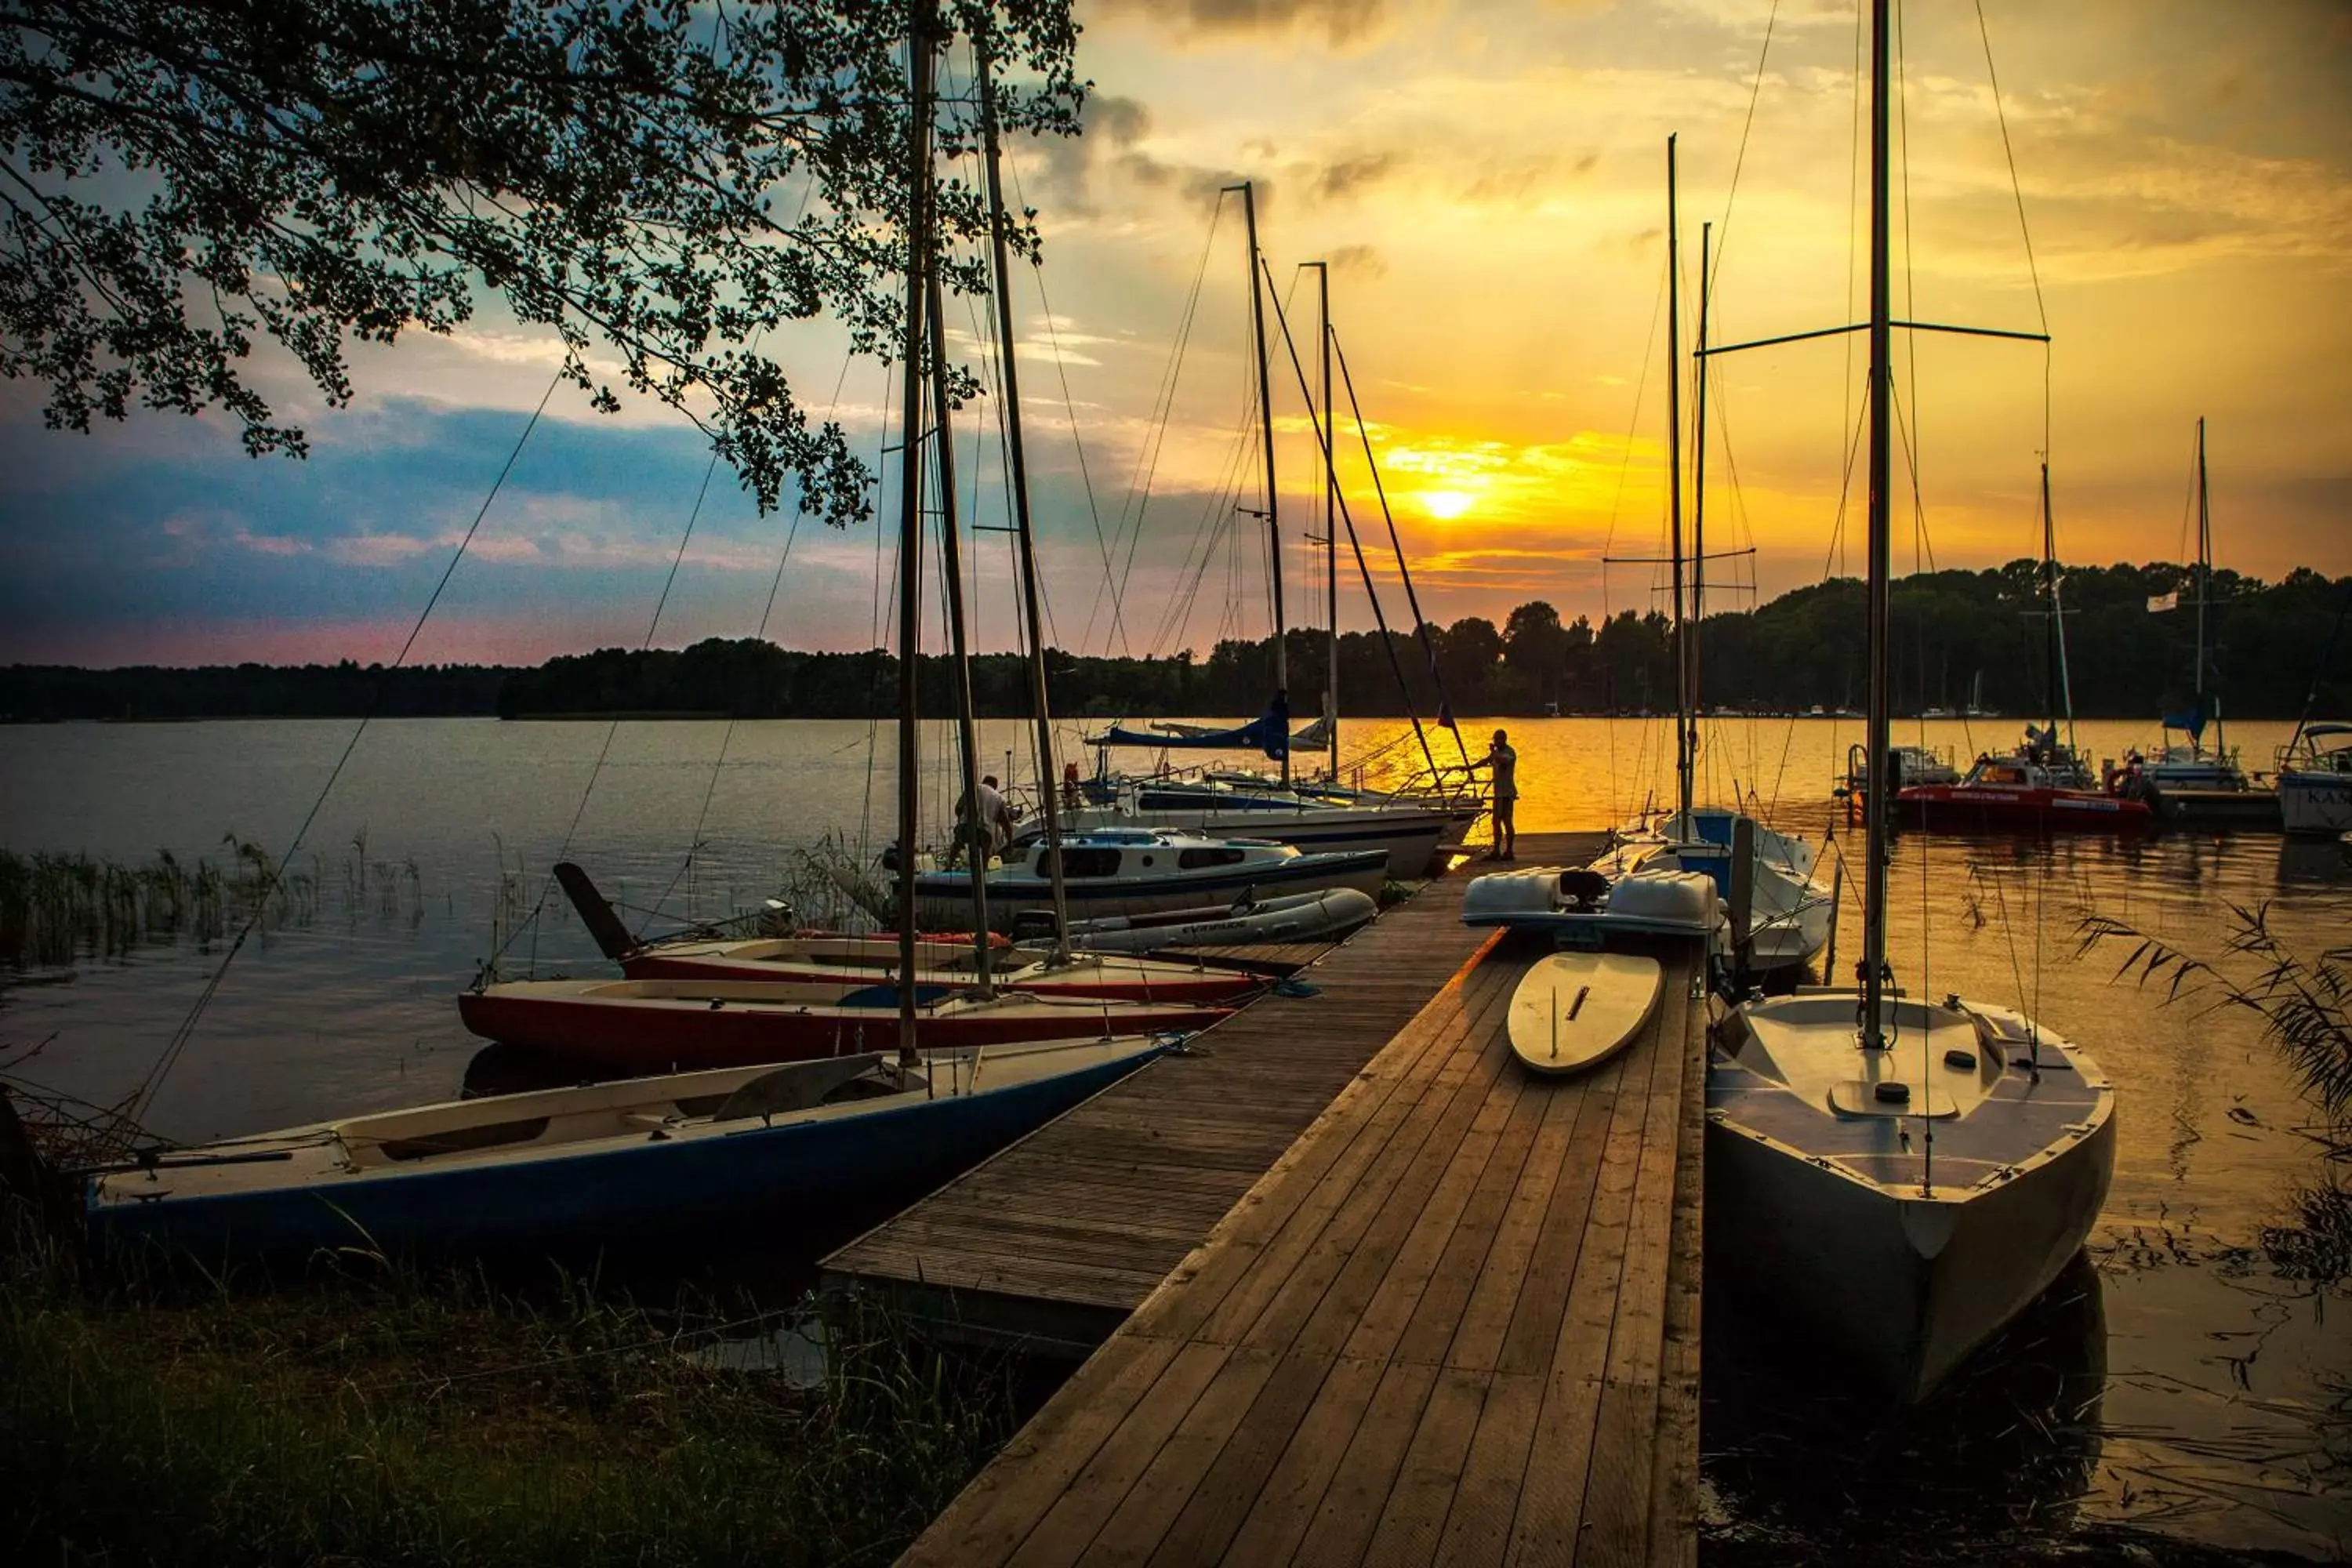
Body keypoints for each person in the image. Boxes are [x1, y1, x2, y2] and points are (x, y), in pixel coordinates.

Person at [1479, 728, 1517, 860]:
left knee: (1507, 821)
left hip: (1507, 793)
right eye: (1494, 739)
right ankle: (1496, 850)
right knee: (1495, 822)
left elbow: (1503, 761)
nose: (1495, 742)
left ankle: (1509, 851)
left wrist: (1493, 752)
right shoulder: (1496, 753)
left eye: (1497, 739)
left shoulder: (1509, 752)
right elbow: (1486, 760)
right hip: (1498, 793)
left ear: (1503, 739)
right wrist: (1468, 768)